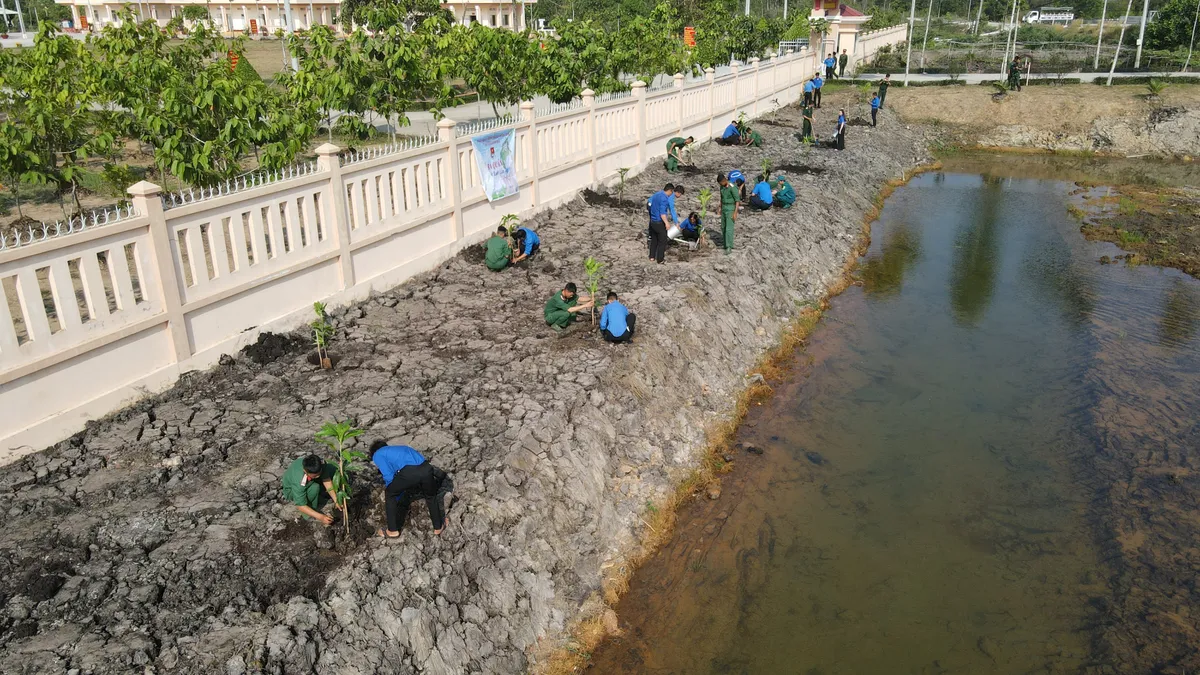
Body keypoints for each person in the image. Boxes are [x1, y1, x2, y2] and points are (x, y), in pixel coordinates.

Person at [370, 441, 452, 538]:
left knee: (390, 494)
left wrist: (395, 494)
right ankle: (438, 527)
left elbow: (389, 476)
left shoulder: (377, 454)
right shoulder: (400, 448)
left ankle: (392, 531)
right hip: (426, 468)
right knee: (431, 496)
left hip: (410, 472)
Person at [281, 454, 341, 526]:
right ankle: (308, 514)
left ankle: (318, 497)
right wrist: (320, 517)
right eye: (315, 476)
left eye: (319, 474)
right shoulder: (299, 481)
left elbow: (326, 480)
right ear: (305, 471)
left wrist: (336, 500)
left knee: (331, 469)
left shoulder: (318, 465)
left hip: (307, 479)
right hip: (291, 491)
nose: (318, 476)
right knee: (315, 487)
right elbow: (300, 505)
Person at [647, 183, 675, 263]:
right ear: (670, 190)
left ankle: (652, 256)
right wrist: (667, 223)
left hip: (652, 221)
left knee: (654, 239)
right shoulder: (664, 199)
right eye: (671, 192)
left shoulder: (657, 194)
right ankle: (660, 259)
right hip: (659, 222)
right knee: (662, 241)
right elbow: (662, 213)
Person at [717, 172, 739, 253]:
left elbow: (737, 200)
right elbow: (721, 197)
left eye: (722, 182)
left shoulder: (732, 187)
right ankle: (725, 243)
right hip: (724, 208)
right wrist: (720, 207)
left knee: (729, 228)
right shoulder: (721, 187)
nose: (721, 184)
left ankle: (729, 246)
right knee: (723, 227)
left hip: (731, 208)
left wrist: (735, 212)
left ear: (725, 180)